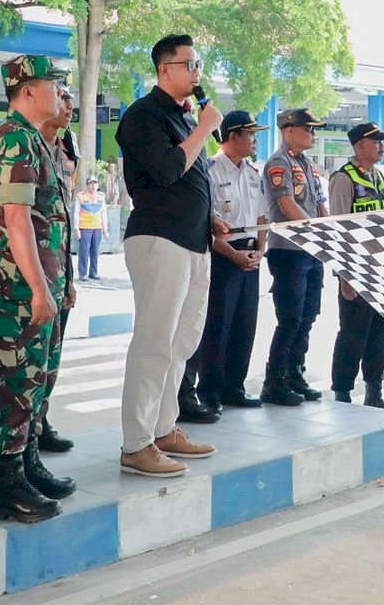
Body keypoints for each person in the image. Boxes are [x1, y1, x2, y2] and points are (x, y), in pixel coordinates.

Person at [115, 34, 223, 477]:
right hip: (159, 240)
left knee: (182, 343)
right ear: (166, 70)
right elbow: (166, 170)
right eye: (190, 65)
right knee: (154, 341)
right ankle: (136, 443)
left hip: (195, 242)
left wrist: (211, 219)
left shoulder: (183, 118)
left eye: (199, 65)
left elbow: (191, 180)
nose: (197, 74)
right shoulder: (143, 116)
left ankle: (163, 428)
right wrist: (203, 128)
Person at [0, 55, 75, 523]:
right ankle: (8, 484)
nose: (60, 93)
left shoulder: (36, 141)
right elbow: (17, 221)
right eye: (53, 85)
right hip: (21, 288)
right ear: (29, 91)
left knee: (39, 379)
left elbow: (52, 223)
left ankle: (28, 462)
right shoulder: (15, 139)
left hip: (43, 284)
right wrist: (40, 289)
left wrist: (63, 284)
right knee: (17, 384)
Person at [178, 110, 269, 423]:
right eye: (251, 134)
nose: (255, 140)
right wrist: (234, 255)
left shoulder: (254, 173)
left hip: (250, 253)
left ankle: (235, 387)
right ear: (233, 136)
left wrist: (260, 250)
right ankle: (211, 392)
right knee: (218, 326)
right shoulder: (211, 169)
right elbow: (208, 223)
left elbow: (261, 218)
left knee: (245, 324)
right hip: (223, 254)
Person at [261, 107, 331, 406]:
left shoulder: (308, 164)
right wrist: (314, 232)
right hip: (289, 250)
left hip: (311, 250)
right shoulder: (279, 163)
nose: (312, 134)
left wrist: (326, 233)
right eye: (308, 128)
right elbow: (287, 204)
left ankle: (294, 372)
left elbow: (319, 204)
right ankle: (274, 381)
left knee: (308, 315)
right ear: (289, 130)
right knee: (289, 318)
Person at [329, 121, 384, 408]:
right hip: (355, 270)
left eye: (382, 141)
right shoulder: (344, 179)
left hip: (380, 269)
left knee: (380, 332)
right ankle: (342, 392)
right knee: (353, 333)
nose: (381, 145)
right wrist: (345, 275)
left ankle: (374, 391)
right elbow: (338, 229)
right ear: (360, 145)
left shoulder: (378, 176)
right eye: (376, 141)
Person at [33, 86, 78, 456]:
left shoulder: (67, 147)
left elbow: (64, 216)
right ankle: (24, 440)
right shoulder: (26, 145)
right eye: (61, 97)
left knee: (52, 357)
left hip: (59, 268)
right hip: (32, 276)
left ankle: (41, 421)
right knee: (26, 368)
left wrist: (71, 278)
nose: (69, 105)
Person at [77, 177, 105, 280]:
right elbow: (77, 212)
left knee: (95, 251)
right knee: (84, 251)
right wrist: (76, 228)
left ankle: (93, 271)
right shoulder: (81, 196)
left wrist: (105, 229)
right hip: (85, 227)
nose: (93, 186)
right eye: (91, 183)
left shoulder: (101, 197)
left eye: (95, 183)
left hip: (97, 227)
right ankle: (82, 273)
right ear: (87, 185)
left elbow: (103, 213)